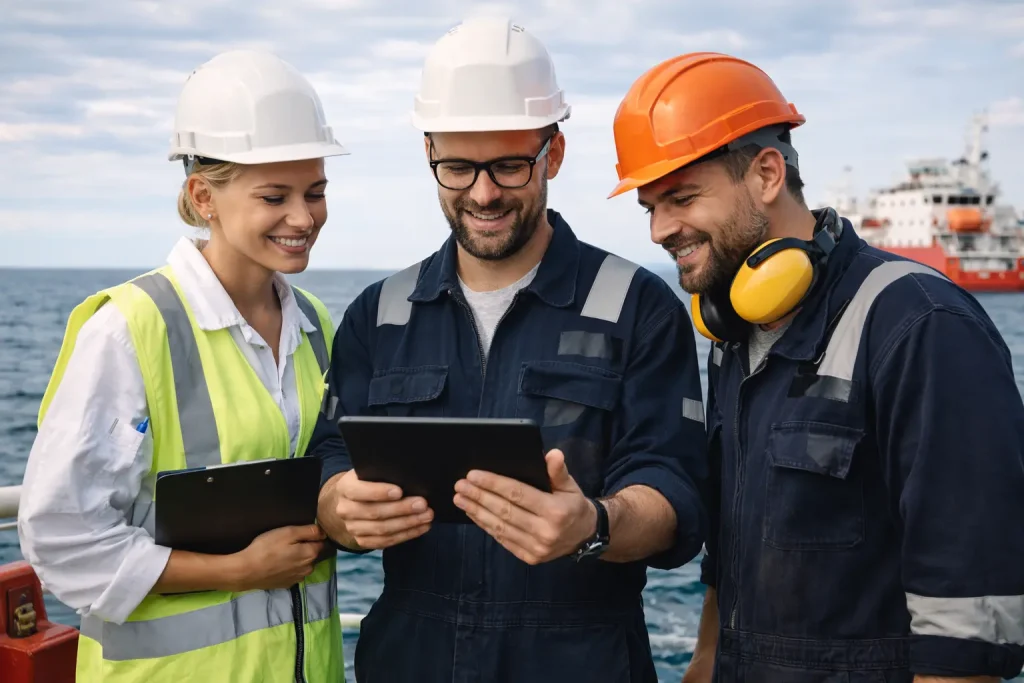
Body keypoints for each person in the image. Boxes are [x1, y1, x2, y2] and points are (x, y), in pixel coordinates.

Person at [310, 16, 710, 683]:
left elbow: (678, 490)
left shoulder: (638, 307)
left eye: (509, 165)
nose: (484, 192)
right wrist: (337, 504)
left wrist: (595, 523)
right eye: (458, 167)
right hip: (410, 660)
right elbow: (329, 459)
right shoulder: (377, 316)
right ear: (429, 153)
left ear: (552, 154)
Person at [607, 51, 1024, 683]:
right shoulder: (735, 334)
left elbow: (967, 615)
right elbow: (736, 543)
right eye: (650, 207)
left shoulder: (920, 324)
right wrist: (705, 661)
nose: (661, 229)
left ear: (767, 174)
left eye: (682, 198)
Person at [18, 49, 350, 682]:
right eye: (274, 196)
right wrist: (238, 571)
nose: (304, 218)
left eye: (316, 192)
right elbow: (64, 537)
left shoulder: (315, 326)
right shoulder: (131, 328)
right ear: (204, 197)